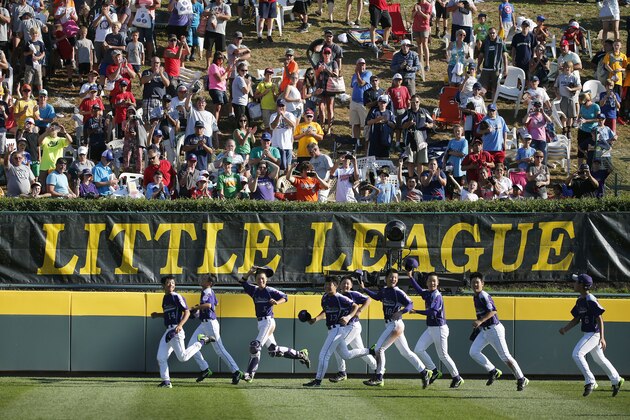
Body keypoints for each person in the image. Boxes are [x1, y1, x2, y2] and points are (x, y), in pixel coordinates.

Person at [359, 269, 432, 388]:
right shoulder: (385, 290)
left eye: (395, 277)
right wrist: (364, 289)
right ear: (386, 278)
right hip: (390, 324)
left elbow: (410, 304)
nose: (393, 279)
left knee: (379, 349)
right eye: (391, 277)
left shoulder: (398, 292)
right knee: (406, 352)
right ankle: (424, 372)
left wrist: (402, 312)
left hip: (395, 324)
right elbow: (377, 297)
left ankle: (379, 377)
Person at [238, 265, 311, 382]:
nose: (260, 280)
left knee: (255, 347)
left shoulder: (270, 290)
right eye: (258, 279)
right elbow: (242, 282)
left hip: (268, 322)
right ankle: (301, 354)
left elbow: (285, 297)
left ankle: (249, 375)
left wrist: (277, 302)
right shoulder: (254, 290)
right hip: (260, 323)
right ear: (255, 280)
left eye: (263, 279)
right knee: (273, 351)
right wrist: (249, 273)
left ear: (266, 280)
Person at [559, 273, 625, 397]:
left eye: (576, 282)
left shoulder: (590, 299)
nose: (574, 284)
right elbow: (576, 319)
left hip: (594, 334)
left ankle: (591, 381)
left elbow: (599, 318)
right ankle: (617, 380)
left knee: (577, 354)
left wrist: (602, 338)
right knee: (598, 358)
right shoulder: (580, 300)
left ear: (583, 285)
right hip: (588, 333)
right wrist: (565, 329)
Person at [303, 276, 371, 387]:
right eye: (326, 284)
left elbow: (354, 306)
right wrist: (314, 320)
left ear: (336, 286)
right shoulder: (324, 297)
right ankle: (370, 350)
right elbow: (326, 311)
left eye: (330, 284)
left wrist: (348, 317)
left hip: (338, 330)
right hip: (331, 330)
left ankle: (317, 381)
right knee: (346, 355)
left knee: (324, 355)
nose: (327, 286)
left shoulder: (340, 297)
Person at [406, 261, 463, 388]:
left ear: (438, 283)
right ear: (427, 282)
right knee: (418, 350)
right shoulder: (428, 293)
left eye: (434, 281)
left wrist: (416, 312)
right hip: (431, 328)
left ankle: (457, 377)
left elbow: (432, 312)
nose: (432, 283)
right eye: (430, 281)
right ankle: (435, 371)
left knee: (443, 355)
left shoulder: (437, 295)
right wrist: (410, 277)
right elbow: (420, 291)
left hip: (439, 328)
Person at [469, 271, 529, 391]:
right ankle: (493, 370)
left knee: (505, 356)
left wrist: (480, 321)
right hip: (485, 331)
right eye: (473, 283)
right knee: (473, 351)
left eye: (477, 282)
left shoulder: (483, 295)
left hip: (494, 329)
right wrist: (479, 326)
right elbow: (483, 313)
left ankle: (521, 378)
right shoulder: (475, 297)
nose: (475, 285)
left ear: (482, 284)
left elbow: (493, 311)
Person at [150, 275, 213, 388]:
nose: (171, 285)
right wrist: (157, 315)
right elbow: (168, 314)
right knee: (161, 357)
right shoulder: (165, 298)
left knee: (183, 357)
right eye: (168, 282)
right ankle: (166, 381)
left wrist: (180, 325)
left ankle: (202, 341)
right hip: (168, 331)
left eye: (173, 283)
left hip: (176, 330)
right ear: (163, 285)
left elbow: (187, 312)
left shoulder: (176, 296)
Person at [188, 274, 244, 385]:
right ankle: (205, 369)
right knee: (191, 346)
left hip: (210, 324)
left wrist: (196, 308)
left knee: (220, 350)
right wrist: (199, 311)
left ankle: (236, 371)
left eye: (204, 279)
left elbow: (208, 305)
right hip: (204, 324)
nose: (201, 280)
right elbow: (215, 303)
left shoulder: (207, 291)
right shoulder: (209, 291)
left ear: (209, 283)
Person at [329, 275, 378, 383]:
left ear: (351, 286)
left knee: (337, 345)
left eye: (348, 283)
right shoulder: (338, 296)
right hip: (347, 328)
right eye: (344, 283)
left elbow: (368, 299)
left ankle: (342, 372)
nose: (346, 285)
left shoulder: (352, 294)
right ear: (339, 285)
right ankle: (377, 369)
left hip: (352, 326)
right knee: (361, 352)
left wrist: (360, 310)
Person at [400, 94, 433, 178]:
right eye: (413, 102)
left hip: (422, 139)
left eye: (417, 102)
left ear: (420, 102)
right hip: (410, 139)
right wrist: (409, 123)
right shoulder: (407, 113)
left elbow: (432, 123)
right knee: (410, 161)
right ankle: (411, 179)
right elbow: (402, 126)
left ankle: (420, 179)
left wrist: (428, 125)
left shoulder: (424, 112)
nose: (415, 104)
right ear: (410, 102)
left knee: (420, 161)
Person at [314, 46, 339, 135]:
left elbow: (336, 74)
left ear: (331, 54)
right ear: (323, 54)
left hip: (330, 88)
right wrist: (319, 71)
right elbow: (315, 76)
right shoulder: (319, 63)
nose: (327, 55)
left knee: (330, 107)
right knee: (321, 107)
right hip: (321, 87)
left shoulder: (334, 63)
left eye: (328, 53)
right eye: (325, 53)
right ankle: (322, 126)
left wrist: (326, 70)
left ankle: (329, 128)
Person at [477, 28, 508, 98]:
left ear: (496, 33)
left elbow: (504, 55)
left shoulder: (500, 42)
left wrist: (506, 68)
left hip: (496, 68)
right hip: (486, 68)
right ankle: (481, 103)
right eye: (490, 33)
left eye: (493, 33)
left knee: (495, 87)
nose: (492, 34)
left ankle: (493, 104)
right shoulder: (485, 42)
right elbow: (481, 55)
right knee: (483, 86)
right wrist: (478, 66)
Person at [555, 61, 581, 139]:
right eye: (566, 67)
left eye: (569, 67)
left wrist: (572, 89)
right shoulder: (560, 77)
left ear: (571, 68)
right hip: (563, 97)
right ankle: (564, 129)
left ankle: (569, 129)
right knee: (563, 115)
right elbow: (555, 87)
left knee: (570, 115)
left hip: (571, 98)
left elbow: (579, 87)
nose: (567, 69)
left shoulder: (574, 77)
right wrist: (557, 95)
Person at [202, 0, 231, 67]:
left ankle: (219, 66)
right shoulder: (211, 5)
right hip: (210, 30)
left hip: (221, 31)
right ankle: (208, 65)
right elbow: (204, 13)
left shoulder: (226, 6)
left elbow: (228, 17)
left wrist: (219, 16)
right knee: (208, 49)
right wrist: (212, 12)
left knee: (220, 51)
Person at [270, 99, 297, 171]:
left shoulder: (290, 115)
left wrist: (284, 117)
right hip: (276, 145)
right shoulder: (273, 116)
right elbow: (272, 126)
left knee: (288, 167)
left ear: (285, 106)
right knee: (279, 167)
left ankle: (286, 181)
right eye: (279, 106)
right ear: (277, 107)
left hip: (288, 145)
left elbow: (293, 125)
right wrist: (278, 116)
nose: (281, 108)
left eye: (283, 106)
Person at [349, 58, 371, 145]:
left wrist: (357, 73)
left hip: (363, 102)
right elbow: (352, 85)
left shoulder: (368, 73)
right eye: (360, 64)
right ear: (357, 65)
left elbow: (361, 83)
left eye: (363, 64)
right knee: (355, 123)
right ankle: (356, 141)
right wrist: (356, 74)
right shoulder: (354, 75)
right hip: (354, 101)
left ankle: (367, 141)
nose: (362, 66)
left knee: (365, 124)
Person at [443, 124, 468, 197]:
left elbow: (462, 154)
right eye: (455, 131)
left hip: (459, 168)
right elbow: (446, 154)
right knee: (450, 186)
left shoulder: (464, 141)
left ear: (462, 131)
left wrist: (451, 152)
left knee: (460, 186)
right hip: (450, 167)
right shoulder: (451, 141)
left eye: (458, 131)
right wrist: (444, 164)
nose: (457, 133)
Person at [576, 92, 601, 167]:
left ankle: (589, 168)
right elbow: (580, 115)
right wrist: (578, 120)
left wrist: (586, 121)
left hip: (592, 132)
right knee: (580, 150)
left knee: (590, 151)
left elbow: (598, 119)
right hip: (582, 130)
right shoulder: (583, 106)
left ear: (587, 100)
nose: (582, 105)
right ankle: (579, 169)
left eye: (583, 103)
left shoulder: (595, 106)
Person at [207, 51, 231, 122]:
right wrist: (226, 72)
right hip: (215, 88)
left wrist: (228, 71)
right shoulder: (213, 66)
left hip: (222, 89)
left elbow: (226, 78)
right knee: (217, 107)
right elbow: (219, 79)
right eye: (219, 58)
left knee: (221, 108)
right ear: (215, 58)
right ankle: (214, 125)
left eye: (222, 58)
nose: (220, 59)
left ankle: (216, 123)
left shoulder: (222, 68)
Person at [411, 0, 432, 72]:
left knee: (425, 44)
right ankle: (420, 62)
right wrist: (416, 11)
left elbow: (427, 17)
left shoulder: (428, 5)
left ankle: (427, 64)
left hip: (424, 27)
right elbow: (412, 16)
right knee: (419, 45)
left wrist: (420, 12)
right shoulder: (416, 4)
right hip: (416, 27)